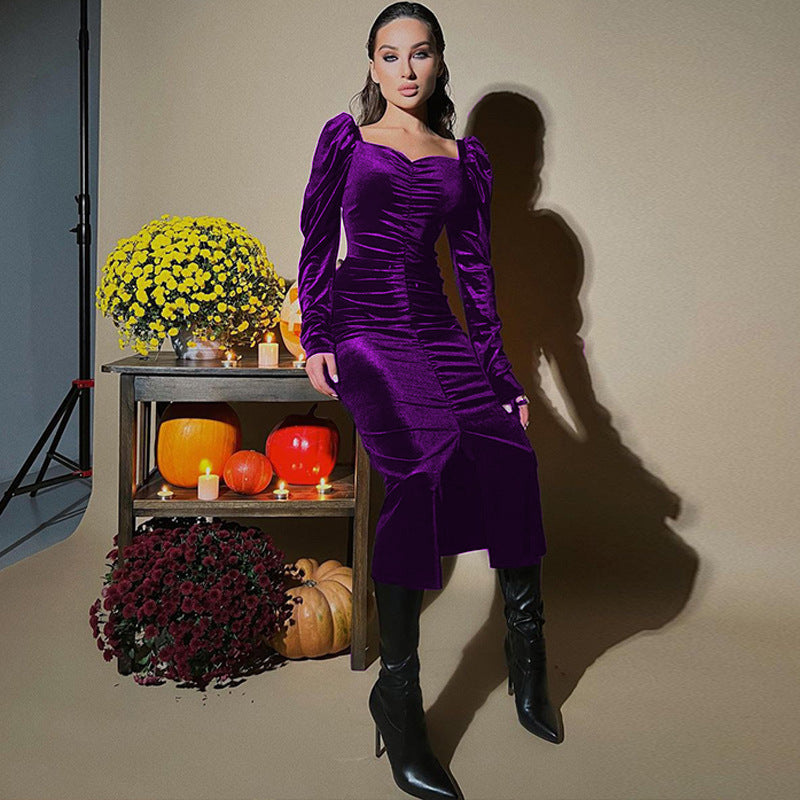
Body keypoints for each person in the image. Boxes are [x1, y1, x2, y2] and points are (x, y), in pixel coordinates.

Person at [296, 4, 563, 798]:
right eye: (390, 55)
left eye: (420, 54)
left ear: (441, 63)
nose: (406, 69)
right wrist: (318, 334)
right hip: (368, 327)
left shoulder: (464, 159)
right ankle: (401, 694)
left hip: (439, 328)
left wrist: (505, 379)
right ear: (372, 66)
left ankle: (525, 656)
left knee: (510, 456)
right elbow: (315, 244)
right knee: (416, 476)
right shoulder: (346, 141)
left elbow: (476, 282)